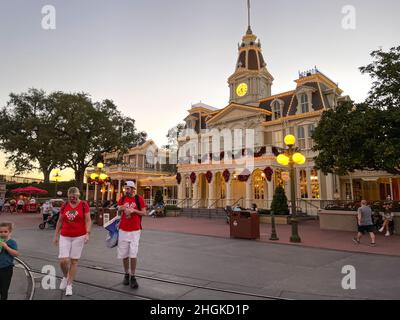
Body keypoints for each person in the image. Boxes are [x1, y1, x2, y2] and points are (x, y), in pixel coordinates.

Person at [53, 187, 91, 297]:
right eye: (70, 197)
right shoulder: (65, 205)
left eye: (74, 197)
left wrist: (88, 233)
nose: (72, 199)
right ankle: (66, 276)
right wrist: (56, 236)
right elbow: (60, 221)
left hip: (79, 236)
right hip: (65, 235)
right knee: (63, 260)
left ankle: (69, 285)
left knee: (74, 261)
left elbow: (88, 220)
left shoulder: (84, 204)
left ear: (78, 195)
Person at [117, 181, 147, 289]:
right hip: (123, 230)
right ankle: (126, 274)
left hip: (135, 230)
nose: (126, 190)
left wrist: (134, 210)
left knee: (133, 254)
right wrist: (121, 208)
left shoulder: (139, 199)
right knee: (124, 255)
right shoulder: (123, 199)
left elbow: (144, 213)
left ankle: (133, 276)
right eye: (125, 189)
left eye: (128, 189)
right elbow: (118, 208)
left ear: (133, 189)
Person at [0, 222, 19, 300]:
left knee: (4, 289)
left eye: (5, 232)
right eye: (0, 232)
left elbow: (16, 254)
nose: (3, 233)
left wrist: (6, 247)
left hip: (6, 269)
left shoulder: (12, 242)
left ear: (10, 232)